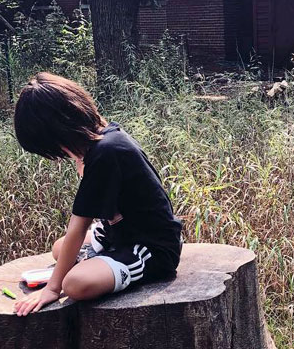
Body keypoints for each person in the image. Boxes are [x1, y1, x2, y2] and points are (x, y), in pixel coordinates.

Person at [12, 72, 182, 316]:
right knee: (60, 249)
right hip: (118, 233)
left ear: (58, 133)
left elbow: (78, 227)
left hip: (150, 246)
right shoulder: (104, 138)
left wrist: (53, 288)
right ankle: (95, 263)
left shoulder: (106, 153)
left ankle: (97, 267)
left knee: (75, 284)